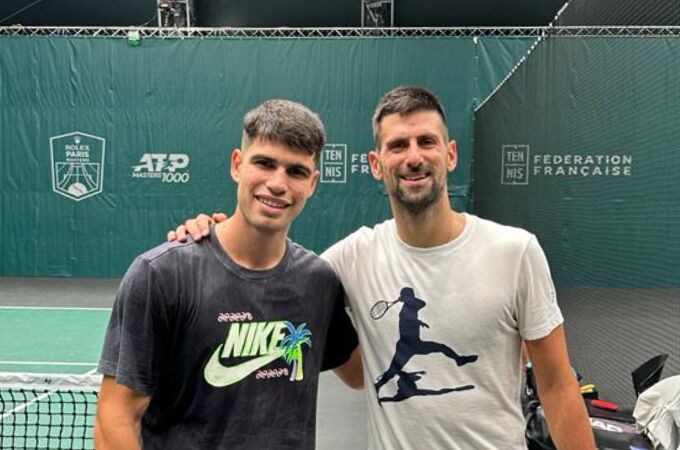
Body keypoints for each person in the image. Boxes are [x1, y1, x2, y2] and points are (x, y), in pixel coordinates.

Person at [168, 86, 595, 449]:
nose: (413, 157)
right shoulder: (348, 260)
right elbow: (353, 370)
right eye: (397, 146)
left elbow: (557, 387)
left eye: (426, 142)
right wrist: (209, 235)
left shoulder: (515, 251)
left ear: (449, 155)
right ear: (376, 164)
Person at [95, 99, 362, 450]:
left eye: (296, 171)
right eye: (264, 163)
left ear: (311, 183)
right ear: (237, 165)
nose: (277, 183)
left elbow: (361, 374)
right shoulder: (161, 275)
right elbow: (115, 418)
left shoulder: (319, 283)